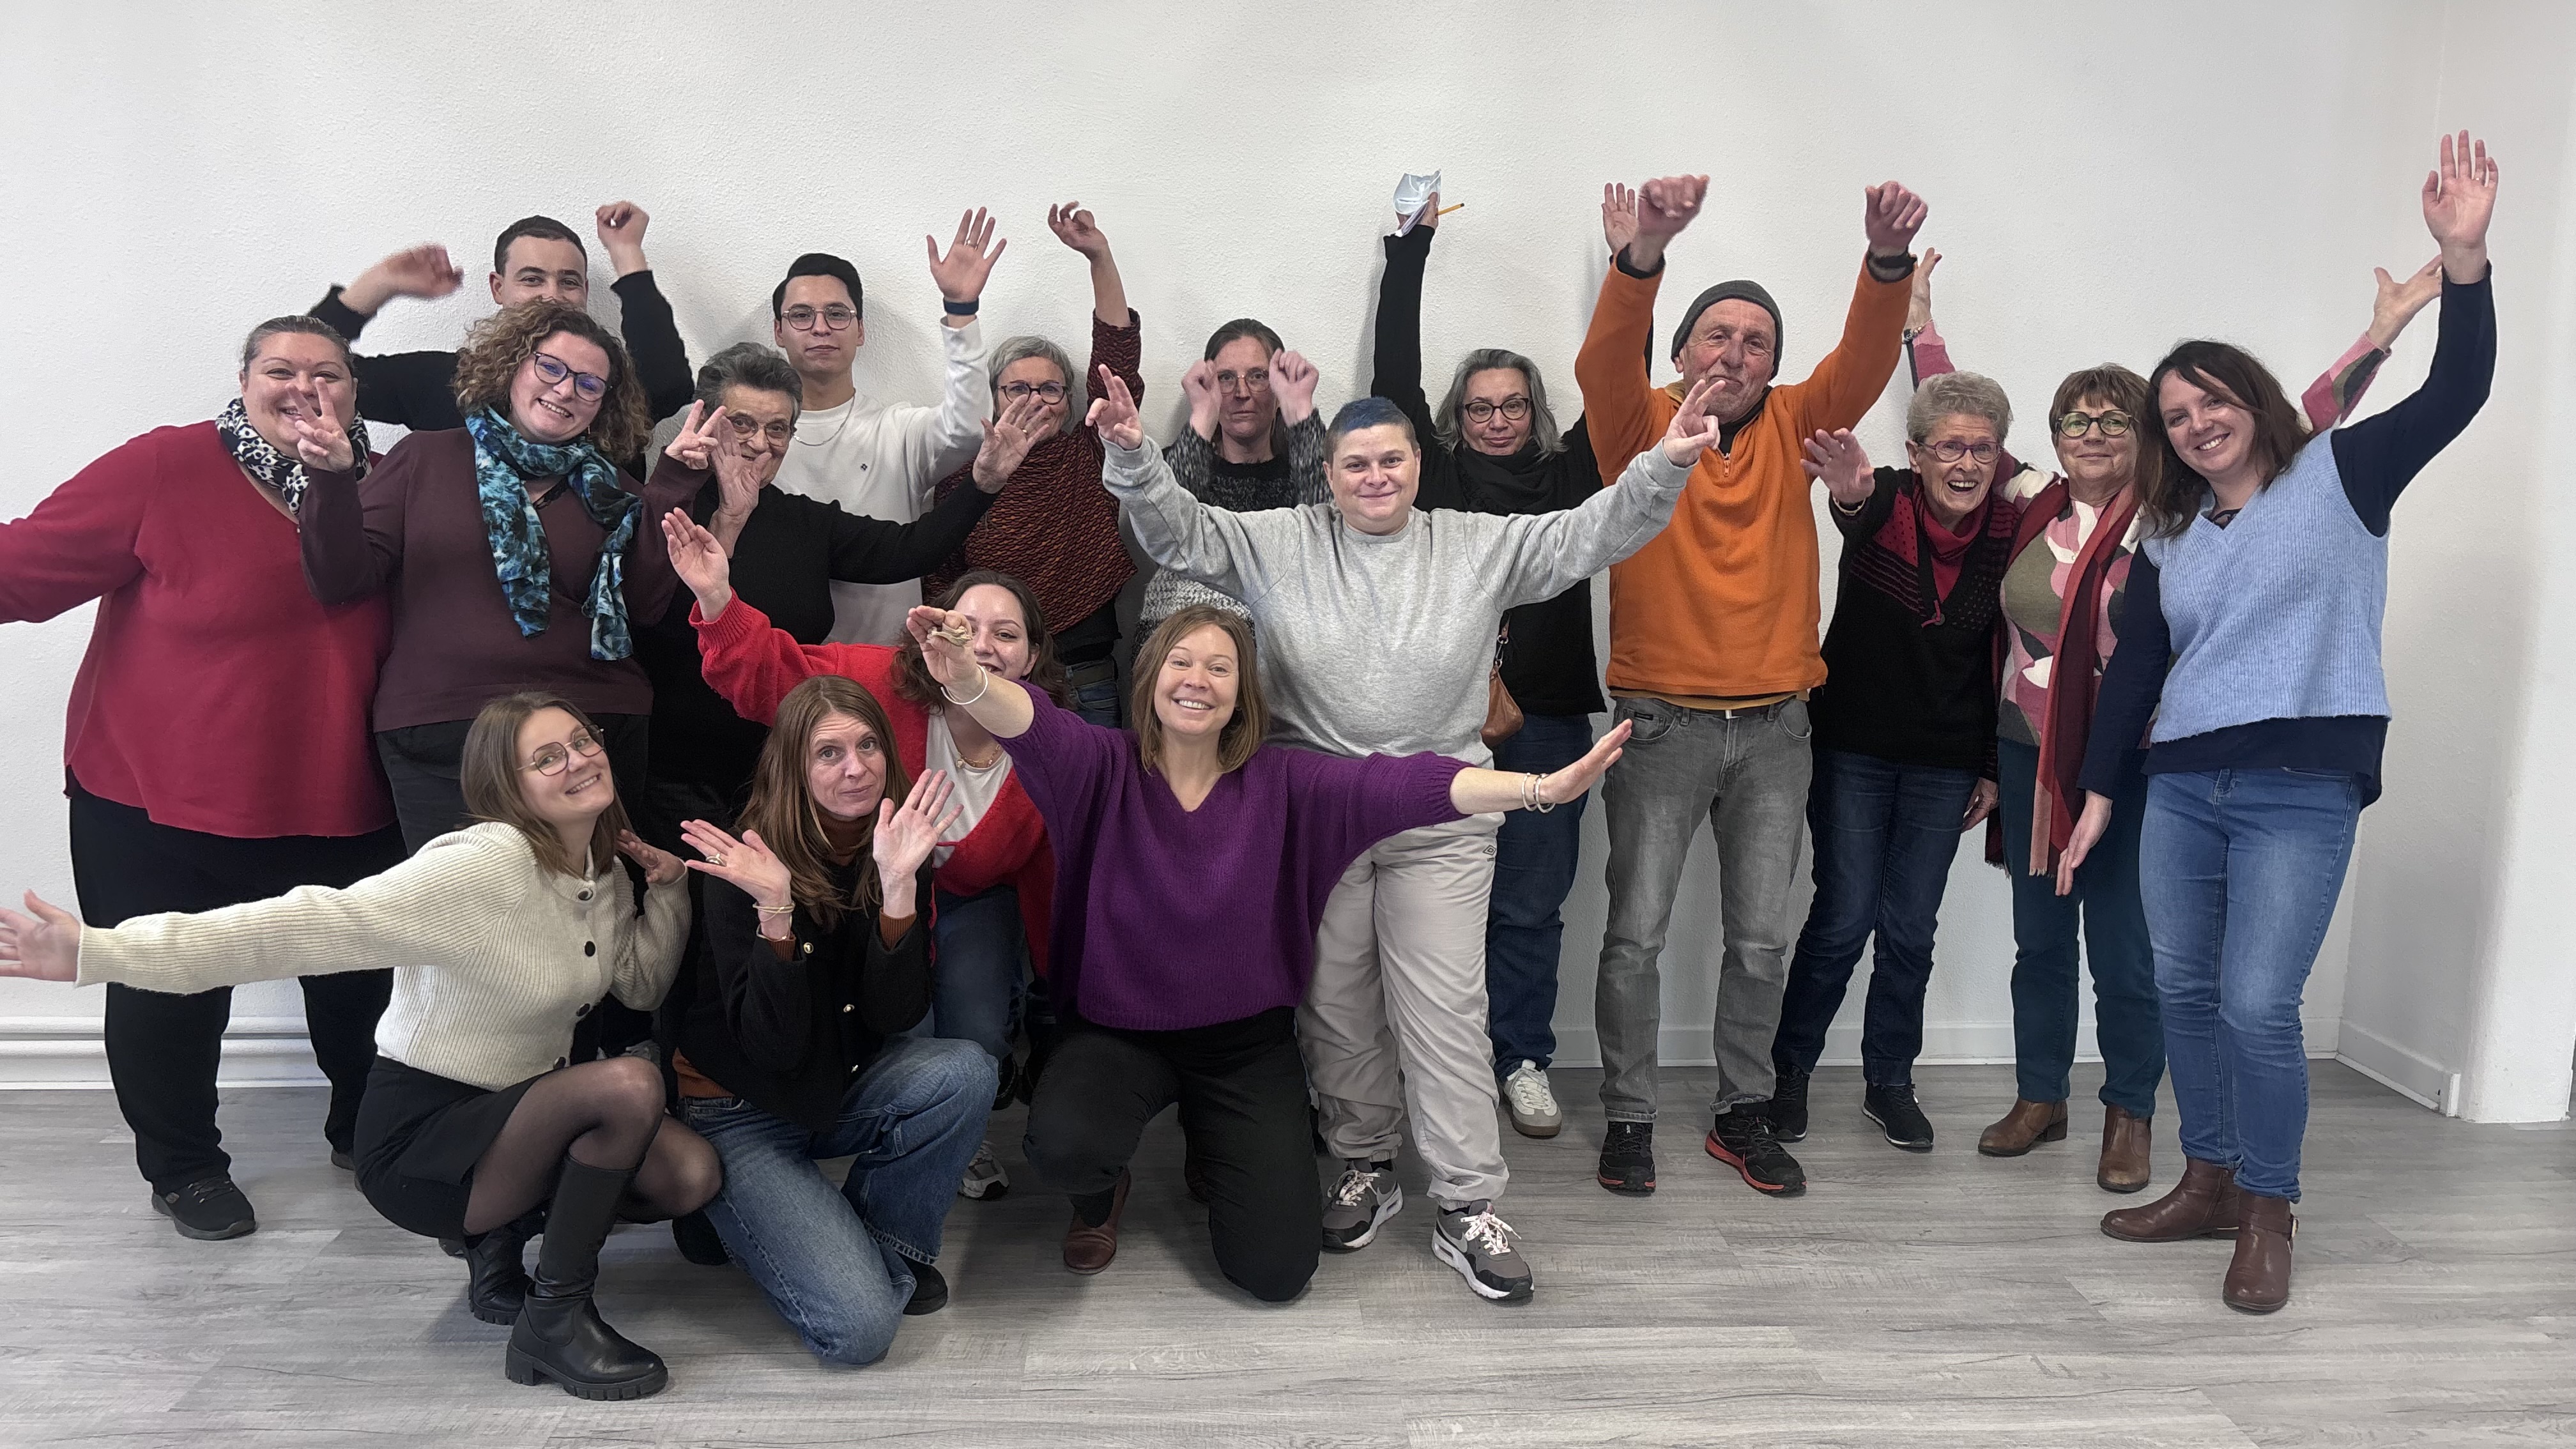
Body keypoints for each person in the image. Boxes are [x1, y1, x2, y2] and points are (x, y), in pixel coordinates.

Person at [1099, 365, 1722, 1302]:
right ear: (1329, 473)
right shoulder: (1280, 540)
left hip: (1442, 813)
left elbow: (1589, 534)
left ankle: (1468, 1202)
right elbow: (1177, 531)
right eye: (1356, 464)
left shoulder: (1477, 543)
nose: (1375, 477)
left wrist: (1665, 463)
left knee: (1445, 1014)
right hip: (1319, 819)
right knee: (1337, 1010)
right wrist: (1132, 453)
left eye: (1391, 460)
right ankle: (1367, 1165)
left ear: (1418, 467)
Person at [903, 599, 1632, 1303]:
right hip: (1117, 1035)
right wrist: (966, 677)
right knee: (1065, 1146)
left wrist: (1540, 788)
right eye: (1181, 662)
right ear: (1149, 677)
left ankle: (1212, 1139)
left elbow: (1405, 783)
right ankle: (1104, 1190)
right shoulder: (1099, 764)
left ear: (1242, 694)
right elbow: (1029, 719)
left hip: (1243, 1049)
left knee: (1277, 1273)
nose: (1197, 680)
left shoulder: (1284, 782)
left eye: (1219, 668)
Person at [2064, 132, 2497, 1313]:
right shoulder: (2166, 533)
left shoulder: (2344, 472)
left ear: (2253, 400)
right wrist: (2097, 794)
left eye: (2211, 399)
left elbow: (2458, 392)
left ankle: (2267, 1205)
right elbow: (2138, 666)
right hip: (2180, 786)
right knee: (2184, 992)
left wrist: (2463, 264)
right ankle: (2205, 1177)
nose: (2196, 422)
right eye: (2174, 414)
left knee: (2258, 1002)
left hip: (2301, 781)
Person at [1903, 252, 2442, 1191]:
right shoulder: (2028, 503)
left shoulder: (2172, 515)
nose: (2094, 433)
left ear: (2145, 437)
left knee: (2131, 954)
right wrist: (1919, 325)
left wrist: (2380, 335)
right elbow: (1954, 417)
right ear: (2055, 436)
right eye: (2077, 419)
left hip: (2143, 761)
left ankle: (2131, 1114)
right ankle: (2040, 1097)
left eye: (2117, 420)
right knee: (2040, 940)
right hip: (2033, 755)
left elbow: (2301, 420)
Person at [0, 691, 714, 1400]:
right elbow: (307, 924)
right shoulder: (482, 866)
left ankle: (497, 1238)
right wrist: (100, 952)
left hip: (518, 1119)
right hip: (423, 1140)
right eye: (548, 757)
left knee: (689, 1175)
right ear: (507, 785)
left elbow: (641, 986)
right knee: (627, 1085)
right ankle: (554, 1321)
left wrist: (671, 890)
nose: (579, 761)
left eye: (584, 742)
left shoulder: (597, 870)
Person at [0, 316, 407, 1241]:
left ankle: (366, 1134)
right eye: (280, 369)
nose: (304, 388)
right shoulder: (165, 467)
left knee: (363, 988)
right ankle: (183, 1167)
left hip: (347, 794)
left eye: (329, 373)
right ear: (245, 381)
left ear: (355, 394)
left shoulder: (388, 484)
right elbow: (22, 569)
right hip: (156, 798)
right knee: (165, 990)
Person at [1574, 172, 1926, 1199]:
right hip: (1659, 728)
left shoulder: (1797, 422)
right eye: (1716, 337)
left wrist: (1885, 261)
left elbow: (1864, 357)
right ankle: (1629, 1115)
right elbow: (1603, 359)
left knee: (1762, 942)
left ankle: (1742, 1112)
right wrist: (1642, 258)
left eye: (1757, 342)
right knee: (1634, 937)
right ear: (1682, 353)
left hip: (1776, 731)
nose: (1734, 354)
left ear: (1775, 364)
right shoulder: (1636, 426)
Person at [666, 453, 1063, 1202]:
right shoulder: (881, 681)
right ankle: (888, 1131)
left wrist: (1062, 986)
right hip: (871, 884)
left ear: (1033, 656)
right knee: (902, 1026)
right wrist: (717, 597)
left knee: (979, 1033)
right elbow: (774, 673)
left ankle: (958, 1130)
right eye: (966, 624)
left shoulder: (1050, 747)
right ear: (934, 635)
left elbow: (1047, 878)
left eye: (1007, 633)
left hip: (971, 899)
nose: (984, 644)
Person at [1368, 180, 1629, 1138]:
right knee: (1430, 905)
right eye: (1480, 407)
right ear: (1457, 416)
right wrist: (1409, 249)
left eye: (1514, 404)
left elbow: (1621, 387)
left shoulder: (1571, 479)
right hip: (1437, 715)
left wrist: (1629, 270)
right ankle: (1435, 1062)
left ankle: (1520, 1059)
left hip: (1549, 721)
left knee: (1528, 905)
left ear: (1535, 411)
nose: (1497, 419)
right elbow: (1393, 376)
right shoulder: (1431, 474)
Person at [667, 676, 993, 1364]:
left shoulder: (896, 843)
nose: (856, 768)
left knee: (966, 1071)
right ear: (794, 766)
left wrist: (899, 886)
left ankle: (879, 1247)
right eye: (829, 753)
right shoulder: (746, 862)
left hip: (832, 1083)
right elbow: (774, 1048)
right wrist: (776, 912)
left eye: (869, 745)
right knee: (860, 1333)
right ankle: (735, 1217)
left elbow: (895, 1015)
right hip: (740, 1107)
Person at [300, 299, 693, 857]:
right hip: (444, 727)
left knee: (589, 903)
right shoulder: (424, 458)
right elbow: (339, 580)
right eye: (550, 368)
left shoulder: (617, 492)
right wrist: (331, 480)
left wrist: (673, 486)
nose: (565, 391)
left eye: (589, 384)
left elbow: (645, 606)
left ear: (604, 403)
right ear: (512, 366)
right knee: (460, 907)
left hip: (589, 720)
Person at [1763, 376, 2020, 1153]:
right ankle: (1789, 1074)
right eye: (1950, 447)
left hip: (1947, 762)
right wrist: (1846, 497)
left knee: (1910, 931)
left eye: (1982, 449)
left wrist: (1990, 766)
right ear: (1917, 452)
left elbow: (2002, 657)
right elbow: (1854, 507)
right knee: (1843, 921)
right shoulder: (1885, 500)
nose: (1966, 464)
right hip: (1855, 750)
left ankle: (1890, 1082)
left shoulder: (2010, 530)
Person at [632, 342, 1023, 844]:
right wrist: (728, 523)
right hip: (676, 771)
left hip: (787, 767)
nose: (760, 442)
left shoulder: (806, 523)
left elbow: (911, 550)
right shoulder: (667, 505)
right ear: (706, 421)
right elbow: (652, 621)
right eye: (742, 423)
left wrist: (984, 482)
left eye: (778, 428)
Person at [923, 201, 1143, 728]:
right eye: (1017, 388)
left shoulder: (1091, 452)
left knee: (1094, 782)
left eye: (1049, 389)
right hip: (988, 678)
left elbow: (1117, 362)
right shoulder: (964, 476)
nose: (1035, 401)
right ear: (994, 397)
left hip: (1086, 676)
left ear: (1069, 400)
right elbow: (940, 584)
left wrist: (1100, 257)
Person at [767, 210, 1006, 645]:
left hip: (890, 662)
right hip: (787, 663)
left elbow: (971, 429)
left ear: (860, 331)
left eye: (837, 314)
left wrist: (961, 311)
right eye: (801, 315)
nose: (820, 327)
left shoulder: (898, 431)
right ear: (779, 332)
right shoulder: (756, 440)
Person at [311, 206, 695, 430]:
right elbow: (311, 381)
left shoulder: (606, 390)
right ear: (498, 288)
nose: (552, 296)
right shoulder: (446, 382)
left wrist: (627, 253)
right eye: (532, 279)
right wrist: (380, 284)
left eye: (569, 282)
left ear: (585, 292)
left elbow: (669, 386)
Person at [1131, 321, 1327, 634]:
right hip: (1189, 637)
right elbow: (1167, 539)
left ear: (1277, 388)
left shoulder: (1305, 464)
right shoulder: (1176, 461)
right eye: (1225, 378)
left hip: (1283, 639)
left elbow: (1330, 539)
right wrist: (1202, 417)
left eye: (1258, 376)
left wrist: (1301, 414)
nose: (1241, 393)